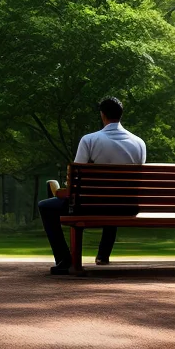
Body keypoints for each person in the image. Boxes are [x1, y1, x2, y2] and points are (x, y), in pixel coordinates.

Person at [37, 97, 146, 274]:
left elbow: (75, 180)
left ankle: (64, 259)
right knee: (114, 195)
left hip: (92, 205)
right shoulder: (139, 143)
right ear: (121, 115)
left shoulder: (90, 140)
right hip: (127, 206)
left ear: (102, 115)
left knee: (45, 206)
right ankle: (103, 255)